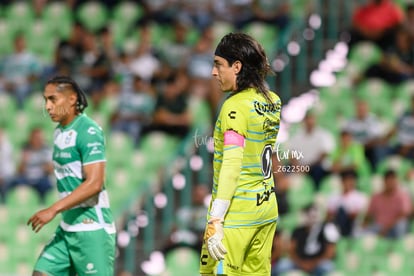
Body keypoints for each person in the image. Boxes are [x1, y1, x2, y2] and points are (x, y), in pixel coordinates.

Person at [200, 33, 282, 276]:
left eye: (218, 64)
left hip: (238, 214)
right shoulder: (272, 101)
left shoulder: (234, 106)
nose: (214, 73)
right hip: (266, 208)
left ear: (237, 66)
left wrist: (216, 219)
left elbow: (233, 162)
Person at [27, 76, 116, 275]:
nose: (48, 107)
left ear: (72, 99)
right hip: (68, 228)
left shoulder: (88, 130)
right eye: (45, 100)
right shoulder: (59, 133)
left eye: (53, 99)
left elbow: (95, 183)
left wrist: (53, 209)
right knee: (41, 273)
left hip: (91, 229)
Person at [273, 204, 340, 276]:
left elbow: (330, 252)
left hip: (318, 263)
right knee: (282, 265)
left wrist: (313, 263)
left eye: (314, 216)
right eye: (309, 215)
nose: (312, 218)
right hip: (299, 262)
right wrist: (302, 263)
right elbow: (291, 250)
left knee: (327, 266)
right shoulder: (298, 230)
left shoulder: (326, 229)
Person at [362, 169, 412, 239]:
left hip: (394, 227)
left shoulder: (403, 196)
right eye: (389, 180)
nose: (391, 183)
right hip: (379, 226)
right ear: (384, 181)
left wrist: (387, 227)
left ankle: (398, 245)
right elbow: (369, 214)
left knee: (401, 224)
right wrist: (364, 225)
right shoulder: (376, 197)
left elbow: (405, 214)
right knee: (362, 232)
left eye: (393, 180)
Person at [8, 127, 53, 202]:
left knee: (47, 185)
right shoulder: (24, 149)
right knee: (14, 182)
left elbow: (51, 170)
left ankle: (43, 204)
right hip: (27, 178)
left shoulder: (47, 149)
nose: (38, 140)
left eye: (39, 138)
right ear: (30, 138)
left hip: (41, 178)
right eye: (35, 138)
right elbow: (19, 171)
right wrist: (24, 161)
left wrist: (47, 166)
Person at [326, 169, 368, 237]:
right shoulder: (334, 196)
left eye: (351, 180)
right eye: (347, 180)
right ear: (342, 181)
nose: (349, 182)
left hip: (353, 226)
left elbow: (360, 216)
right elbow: (328, 215)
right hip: (336, 223)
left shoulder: (360, 197)